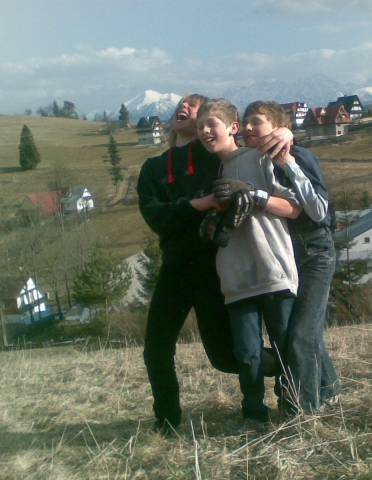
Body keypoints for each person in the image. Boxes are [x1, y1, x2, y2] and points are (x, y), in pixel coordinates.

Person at [137, 94, 293, 434]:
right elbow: (156, 217)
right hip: (175, 268)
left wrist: (284, 133)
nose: (183, 108)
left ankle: (293, 368)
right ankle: (166, 422)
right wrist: (203, 202)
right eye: (181, 105)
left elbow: (258, 150)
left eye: (193, 106)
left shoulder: (217, 158)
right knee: (156, 349)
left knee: (226, 357)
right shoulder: (153, 168)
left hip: (214, 268)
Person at [196, 98, 301, 427]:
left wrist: (254, 196)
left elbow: (294, 208)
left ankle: (293, 407)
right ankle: (254, 415)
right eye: (200, 127)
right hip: (235, 275)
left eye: (211, 124)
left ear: (233, 127)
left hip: (272, 268)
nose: (204, 131)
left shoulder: (259, 157)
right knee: (247, 354)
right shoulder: (213, 172)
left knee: (284, 346)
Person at [241, 101, 341, 414]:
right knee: (301, 333)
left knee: (302, 334)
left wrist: (287, 162)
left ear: (277, 127)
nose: (247, 128)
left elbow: (320, 212)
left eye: (256, 121)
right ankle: (329, 390)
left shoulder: (299, 155)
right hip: (285, 256)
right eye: (245, 122)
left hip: (314, 251)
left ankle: (304, 411)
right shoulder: (251, 163)